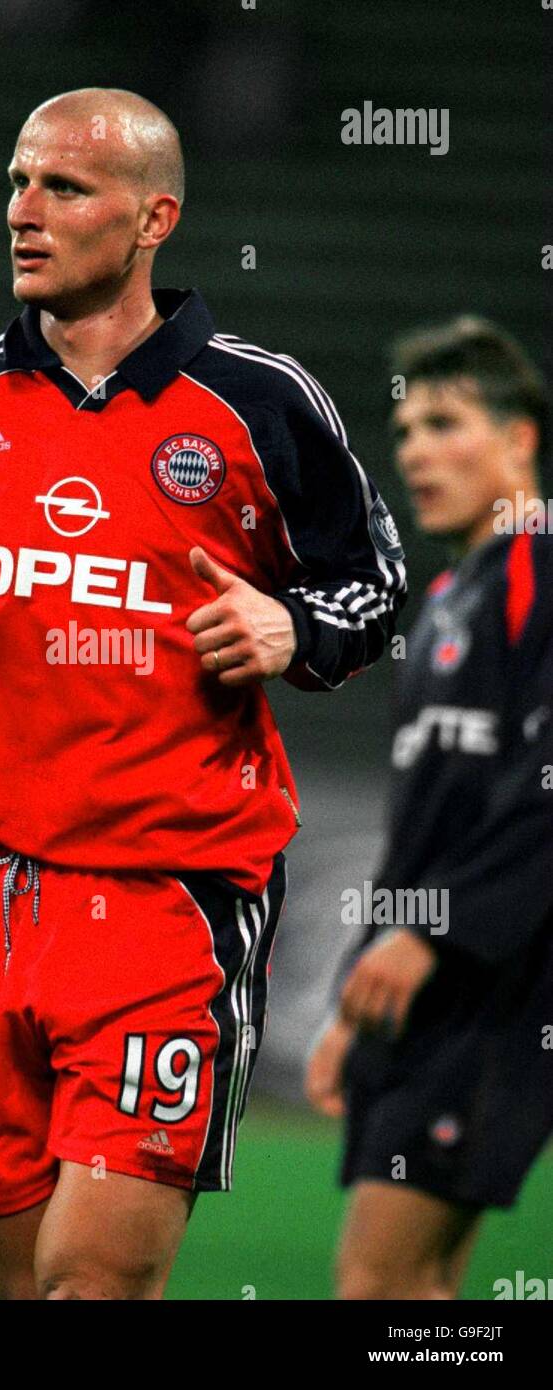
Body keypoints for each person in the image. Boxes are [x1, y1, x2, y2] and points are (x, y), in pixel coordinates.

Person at [0, 87, 405, 1300]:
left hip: (167, 900)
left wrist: (296, 625)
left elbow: (375, 586)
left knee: (93, 1284)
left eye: (64, 187)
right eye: (18, 183)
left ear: (152, 217)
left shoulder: (262, 403)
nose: (25, 211)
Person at [306, 317, 553, 1300]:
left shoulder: (542, 569)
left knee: (379, 1279)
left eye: (445, 423)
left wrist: (434, 940)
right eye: (405, 430)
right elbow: (422, 835)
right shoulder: (450, 595)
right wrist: (357, 989)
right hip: (427, 990)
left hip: (496, 987)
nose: (414, 451)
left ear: (520, 437)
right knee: (417, 1287)